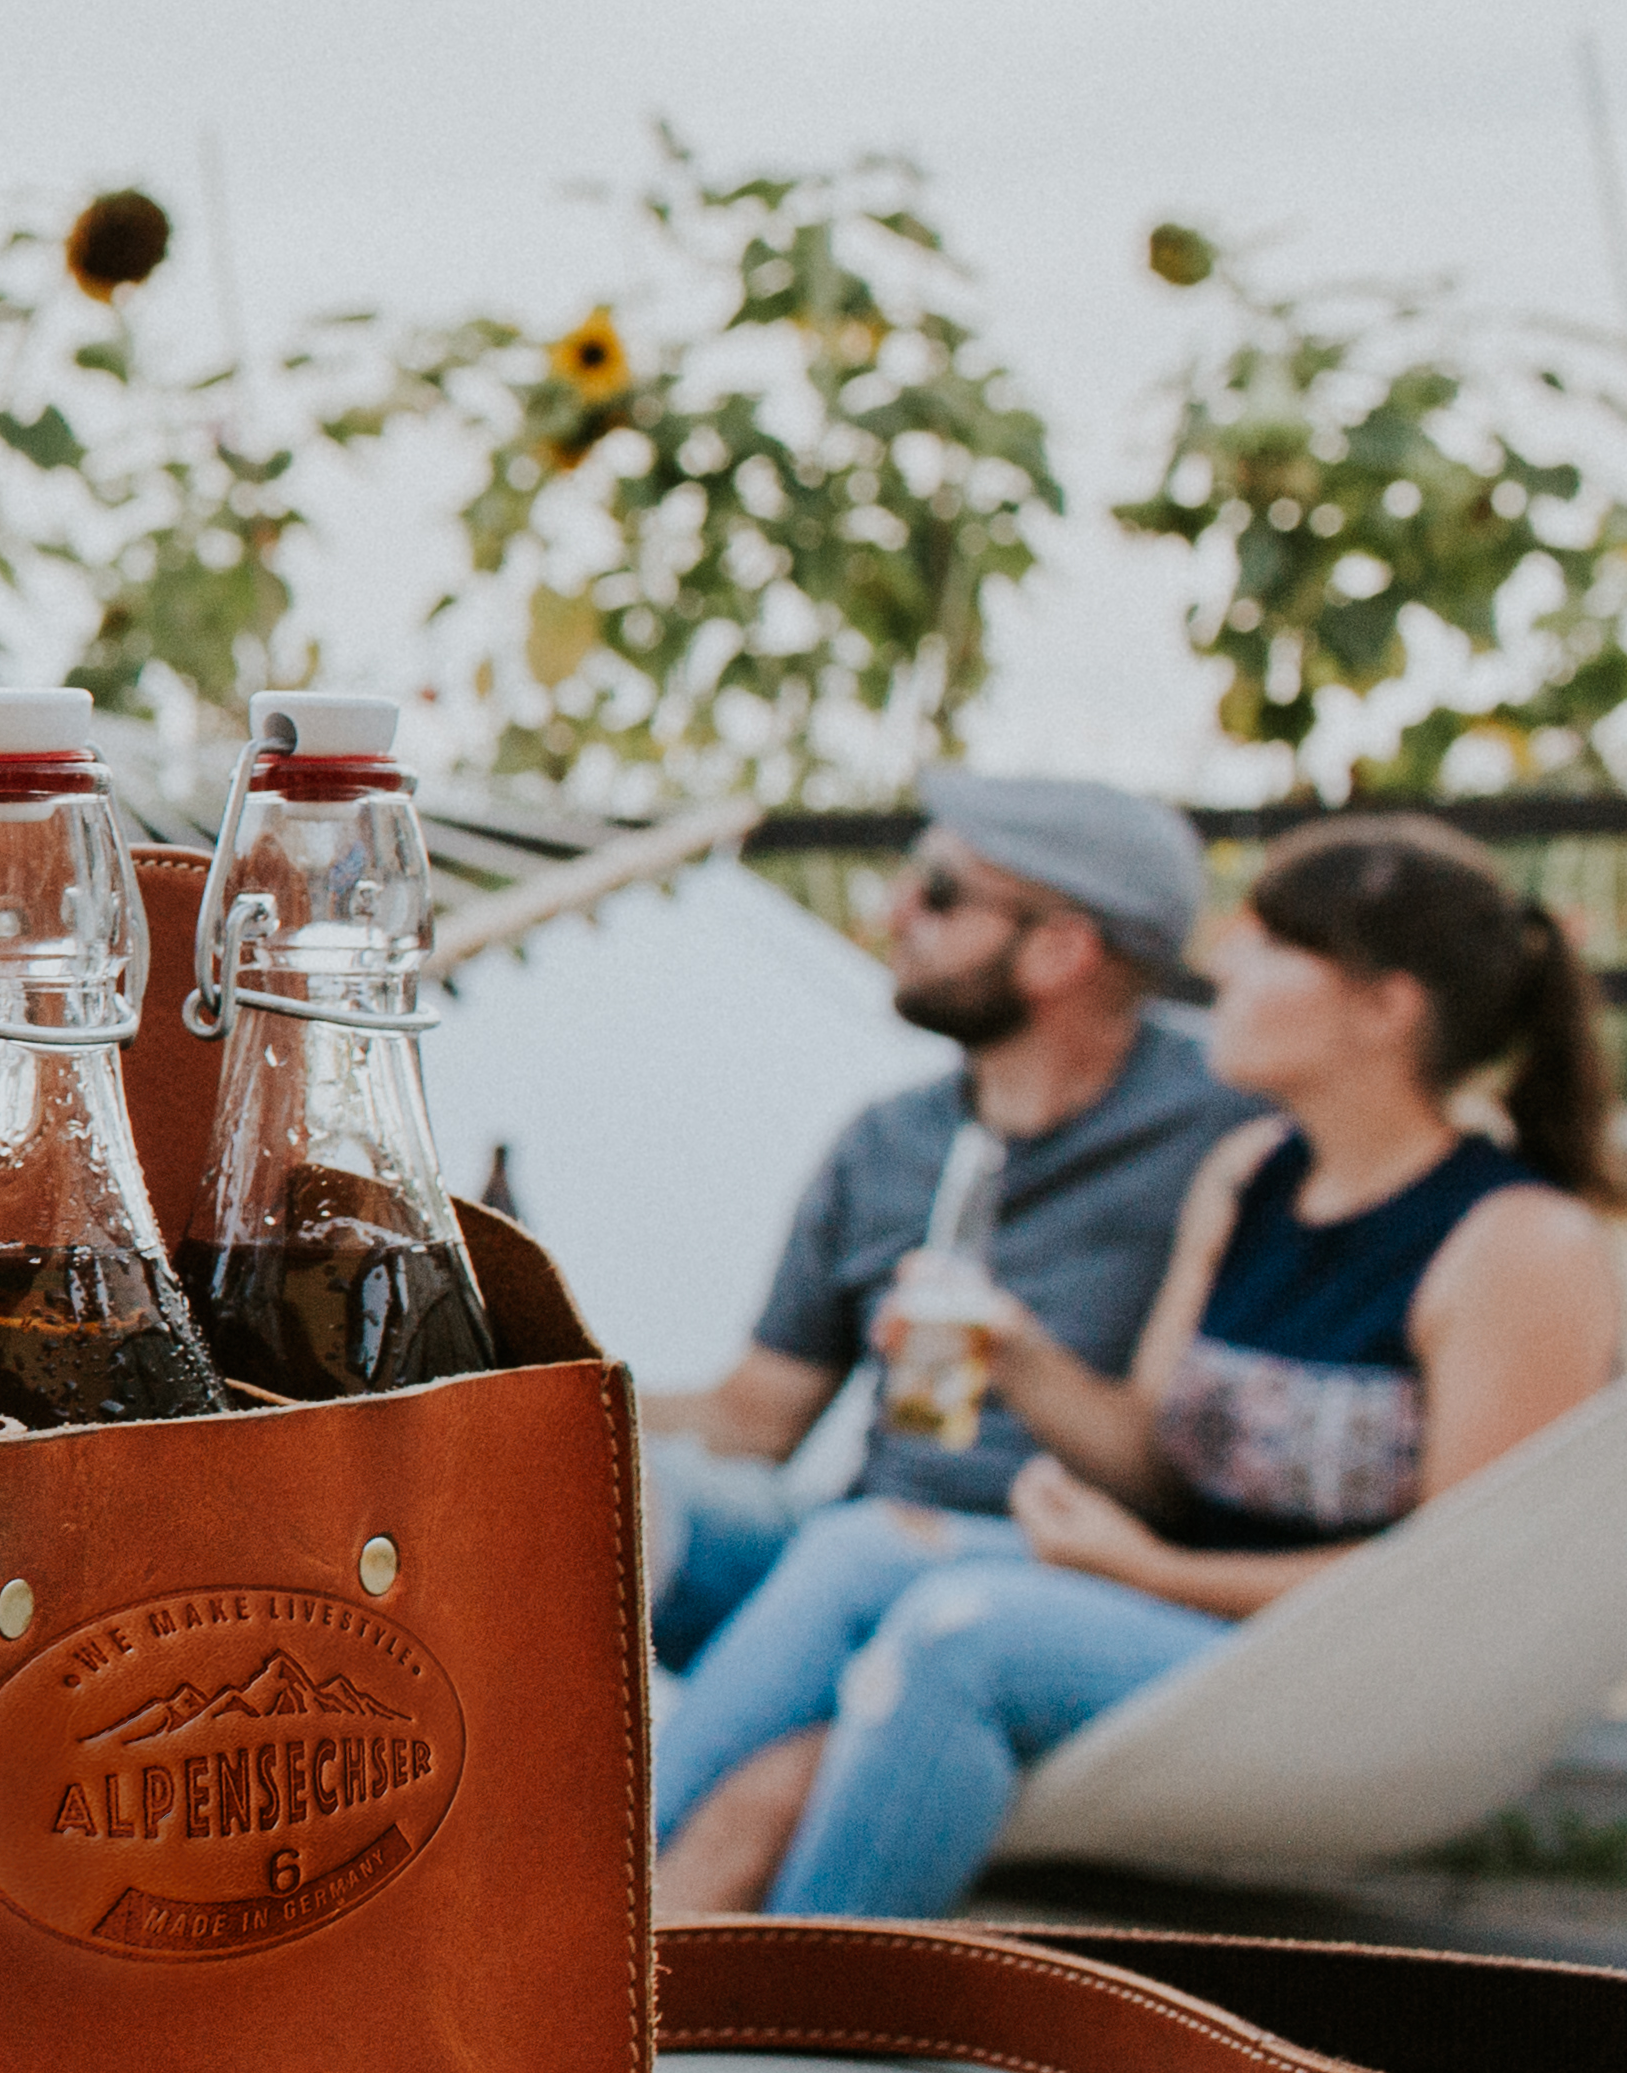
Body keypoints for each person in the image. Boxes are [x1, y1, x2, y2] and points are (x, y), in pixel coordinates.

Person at [654, 818, 1622, 1917]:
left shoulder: (1516, 1246)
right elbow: (1153, 1460)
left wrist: (1149, 1575)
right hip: (1174, 1625)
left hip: (1338, 1683)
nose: (1218, 966)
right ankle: (613, 1911)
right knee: (856, 1548)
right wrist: (1014, 1354)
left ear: (1380, 1008)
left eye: (1262, 942)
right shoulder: (1247, 1174)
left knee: (958, 1634)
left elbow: (1453, 1599)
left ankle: (790, 2029)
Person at [642, 775, 1263, 1667]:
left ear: (1058, 951)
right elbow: (754, 1420)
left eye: (937, 891)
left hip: (1066, 1578)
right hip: (842, 1548)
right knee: (551, 1500)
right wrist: (526, 1396)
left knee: (853, 1593)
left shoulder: (1229, 1134)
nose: (894, 911)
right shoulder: (886, 1142)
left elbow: (1189, 1473)